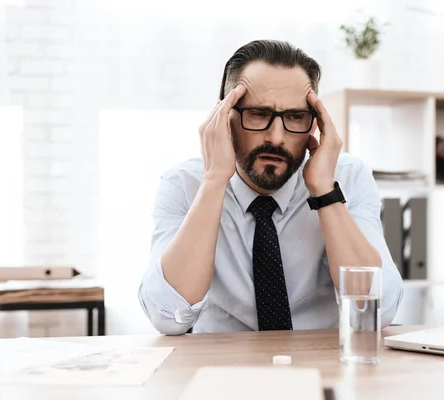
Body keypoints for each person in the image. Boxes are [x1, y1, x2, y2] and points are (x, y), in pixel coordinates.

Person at [139, 40, 404, 335]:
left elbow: (378, 313)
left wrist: (325, 192)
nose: (276, 138)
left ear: (315, 124)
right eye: (258, 114)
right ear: (224, 118)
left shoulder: (348, 178)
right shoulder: (184, 184)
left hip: (321, 363)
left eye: (294, 117)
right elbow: (169, 317)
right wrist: (214, 179)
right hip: (223, 365)